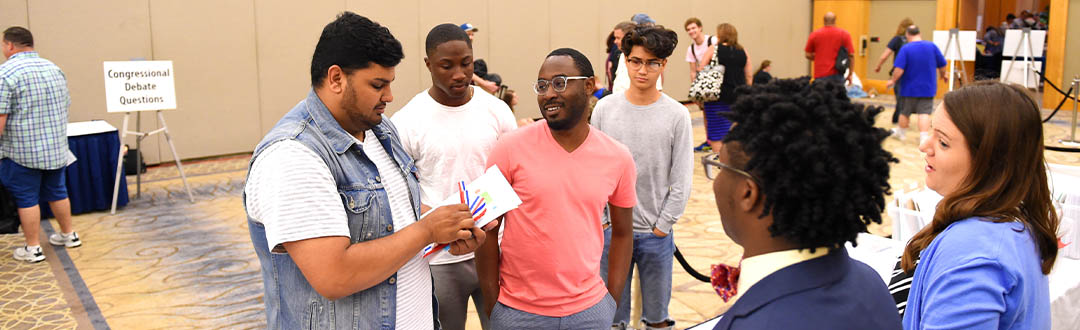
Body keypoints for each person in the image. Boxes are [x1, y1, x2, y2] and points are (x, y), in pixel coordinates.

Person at [243, 13, 491, 329]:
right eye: (377, 85)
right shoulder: (292, 156)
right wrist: (427, 231)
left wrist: (451, 224)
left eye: (390, 84)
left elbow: (397, 214)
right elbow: (334, 275)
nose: (389, 96)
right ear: (336, 79)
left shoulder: (379, 129)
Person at [704, 78, 901, 329]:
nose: (716, 180)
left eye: (719, 166)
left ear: (747, 193)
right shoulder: (870, 284)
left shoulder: (754, 324)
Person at [476, 48, 636, 329]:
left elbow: (623, 233)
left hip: (591, 312)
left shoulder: (618, 157)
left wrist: (610, 300)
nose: (549, 93)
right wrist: (493, 304)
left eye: (560, 82)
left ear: (589, 85)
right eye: (542, 85)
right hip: (517, 312)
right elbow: (485, 229)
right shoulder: (509, 149)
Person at [900, 81, 1058, 330]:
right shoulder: (1011, 220)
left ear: (989, 162)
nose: (924, 146)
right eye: (931, 131)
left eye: (943, 142)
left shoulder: (974, 252)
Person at [390, 23, 518, 330]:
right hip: (439, 260)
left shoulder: (497, 111)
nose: (459, 74)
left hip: (495, 248)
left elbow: (515, 174)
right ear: (428, 65)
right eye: (446, 66)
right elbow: (398, 193)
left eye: (466, 63)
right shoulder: (407, 122)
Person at [592, 25, 692, 330]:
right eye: (635, 61)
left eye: (652, 63)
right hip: (611, 234)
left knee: (657, 319)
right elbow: (594, 170)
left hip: (655, 234)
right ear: (625, 61)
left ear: (663, 65)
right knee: (611, 318)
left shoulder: (676, 115)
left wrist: (663, 225)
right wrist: (604, 221)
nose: (643, 70)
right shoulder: (606, 109)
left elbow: (682, 176)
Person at [0, 26, 82, 263]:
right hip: (55, 148)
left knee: (27, 198)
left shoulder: (6, 74)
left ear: (10, 46)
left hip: (21, 152)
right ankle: (69, 235)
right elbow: (65, 105)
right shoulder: (54, 68)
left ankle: (33, 247)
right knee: (58, 191)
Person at [886, 25, 946, 145]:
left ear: (908, 35)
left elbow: (899, 69)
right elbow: (942, 64)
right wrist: (943, 75)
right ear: (919, 33)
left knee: (905, 112)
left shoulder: (906, 48)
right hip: (928, 87)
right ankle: (923, 137)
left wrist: (893, 80)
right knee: (924, 113)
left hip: (909, 88)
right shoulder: (932, 46)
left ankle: (901, 134)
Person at [698, 23, 752, 153]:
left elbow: (701, 69)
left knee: (717, 134)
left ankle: (720, 164)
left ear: (720, 35)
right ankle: (733, 164)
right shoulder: (743, 51)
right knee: (735, 131)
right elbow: (749, 76)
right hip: (738, 98)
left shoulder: (714, 49)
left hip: (717, 98)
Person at [685, 17, 718, 152]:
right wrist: (695, 91)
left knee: (721, 112)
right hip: (705, 83)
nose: (691, 31)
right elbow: (693, 71)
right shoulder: (691, 49)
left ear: (700, 28)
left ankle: (722, 141)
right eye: (688, 29)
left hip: (718, 80)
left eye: (693, 28)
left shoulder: (713, 41)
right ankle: (709, 141)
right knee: (706, 113)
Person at [873, 17, 914, 124]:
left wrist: (878, 66)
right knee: (908, 98)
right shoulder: (914, 41)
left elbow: (885, 56)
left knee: (900, 99)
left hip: (899, 72)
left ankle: (897, 120)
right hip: (912, 73)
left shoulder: (897, 39)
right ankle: (905, 120)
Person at [614, 15, 661, 93]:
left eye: (618, 38)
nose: (615, 41)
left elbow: (657, 88)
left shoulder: (647, 55)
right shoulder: (623, 55)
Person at [805, 12, 855, 84]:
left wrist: (819, 57)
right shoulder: (844, 34)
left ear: (824, 21)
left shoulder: (815, 34)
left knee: (821, 95)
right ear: (835, 21)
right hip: (838, 75)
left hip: (820, 76)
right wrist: (850, 74)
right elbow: (851, 56)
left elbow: (808, 54)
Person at [461, 23, 499, 94]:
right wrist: (485, 84)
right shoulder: (460, 51)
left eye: (472, 35)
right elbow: (465, 71)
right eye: (468, 34)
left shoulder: (468, 50)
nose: (471, 37)